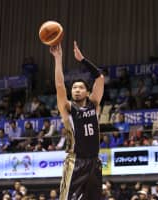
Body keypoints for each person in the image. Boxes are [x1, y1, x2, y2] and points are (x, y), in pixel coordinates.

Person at [50, 41, 104, 200]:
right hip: (76, 162)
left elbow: (100, 77)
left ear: (87, 92)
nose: (77, 90)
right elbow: (60, 86)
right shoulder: (68, 108)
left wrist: (82, 60)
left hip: (94, 161)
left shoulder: (94, 105)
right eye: (74, 88)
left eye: (80, 87)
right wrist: (58, 59)